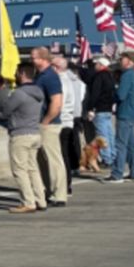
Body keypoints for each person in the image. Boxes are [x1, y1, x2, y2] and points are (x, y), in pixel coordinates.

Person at [0, 64, 47, 214]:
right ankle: (41, 200)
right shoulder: (39, 92)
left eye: (17, 73)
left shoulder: (19, 93)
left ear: (22, 74)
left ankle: (28, 202)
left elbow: (5, 110)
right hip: (34, 132)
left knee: (20, 170)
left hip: (20, 134)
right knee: (33, 168)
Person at [31, 48, 68, 207]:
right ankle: (47, 191)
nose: (32, 60)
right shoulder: (40, 76)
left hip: (49, 124)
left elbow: (56, 102)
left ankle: (59, 194)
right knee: (42, 160)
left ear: (42, 59)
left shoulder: (50, 77)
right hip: (39, 122)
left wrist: (46, 121)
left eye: (34, 57)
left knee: (53, 159)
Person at [109, 52, 134, 184]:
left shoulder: (127, 75)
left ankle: (117, 173)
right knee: (132, 145)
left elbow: (121, 95)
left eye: (122, 59)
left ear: (129, 61)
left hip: (125, 112)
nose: (120, 61)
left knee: (120, 144)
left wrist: (114, 92)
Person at [52, 56, 86, 196]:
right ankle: (67, 184)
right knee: (66, 153)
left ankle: (64, 185)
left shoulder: (61, 81)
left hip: (62, 120)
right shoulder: (75, 81)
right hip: (72, 118)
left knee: (60, 155)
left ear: (56, 67)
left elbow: (59, 103)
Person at [84, 56, 117, 166]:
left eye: (97, 64)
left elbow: (95, 93)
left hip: (100, 109)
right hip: (108, 109)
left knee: (102, 136)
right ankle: (113, 155)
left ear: (101, 65)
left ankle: (106, 159)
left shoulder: (99, 76)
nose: (95, 66)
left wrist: (90, 107)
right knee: (110, 134)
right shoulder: (110, 76)